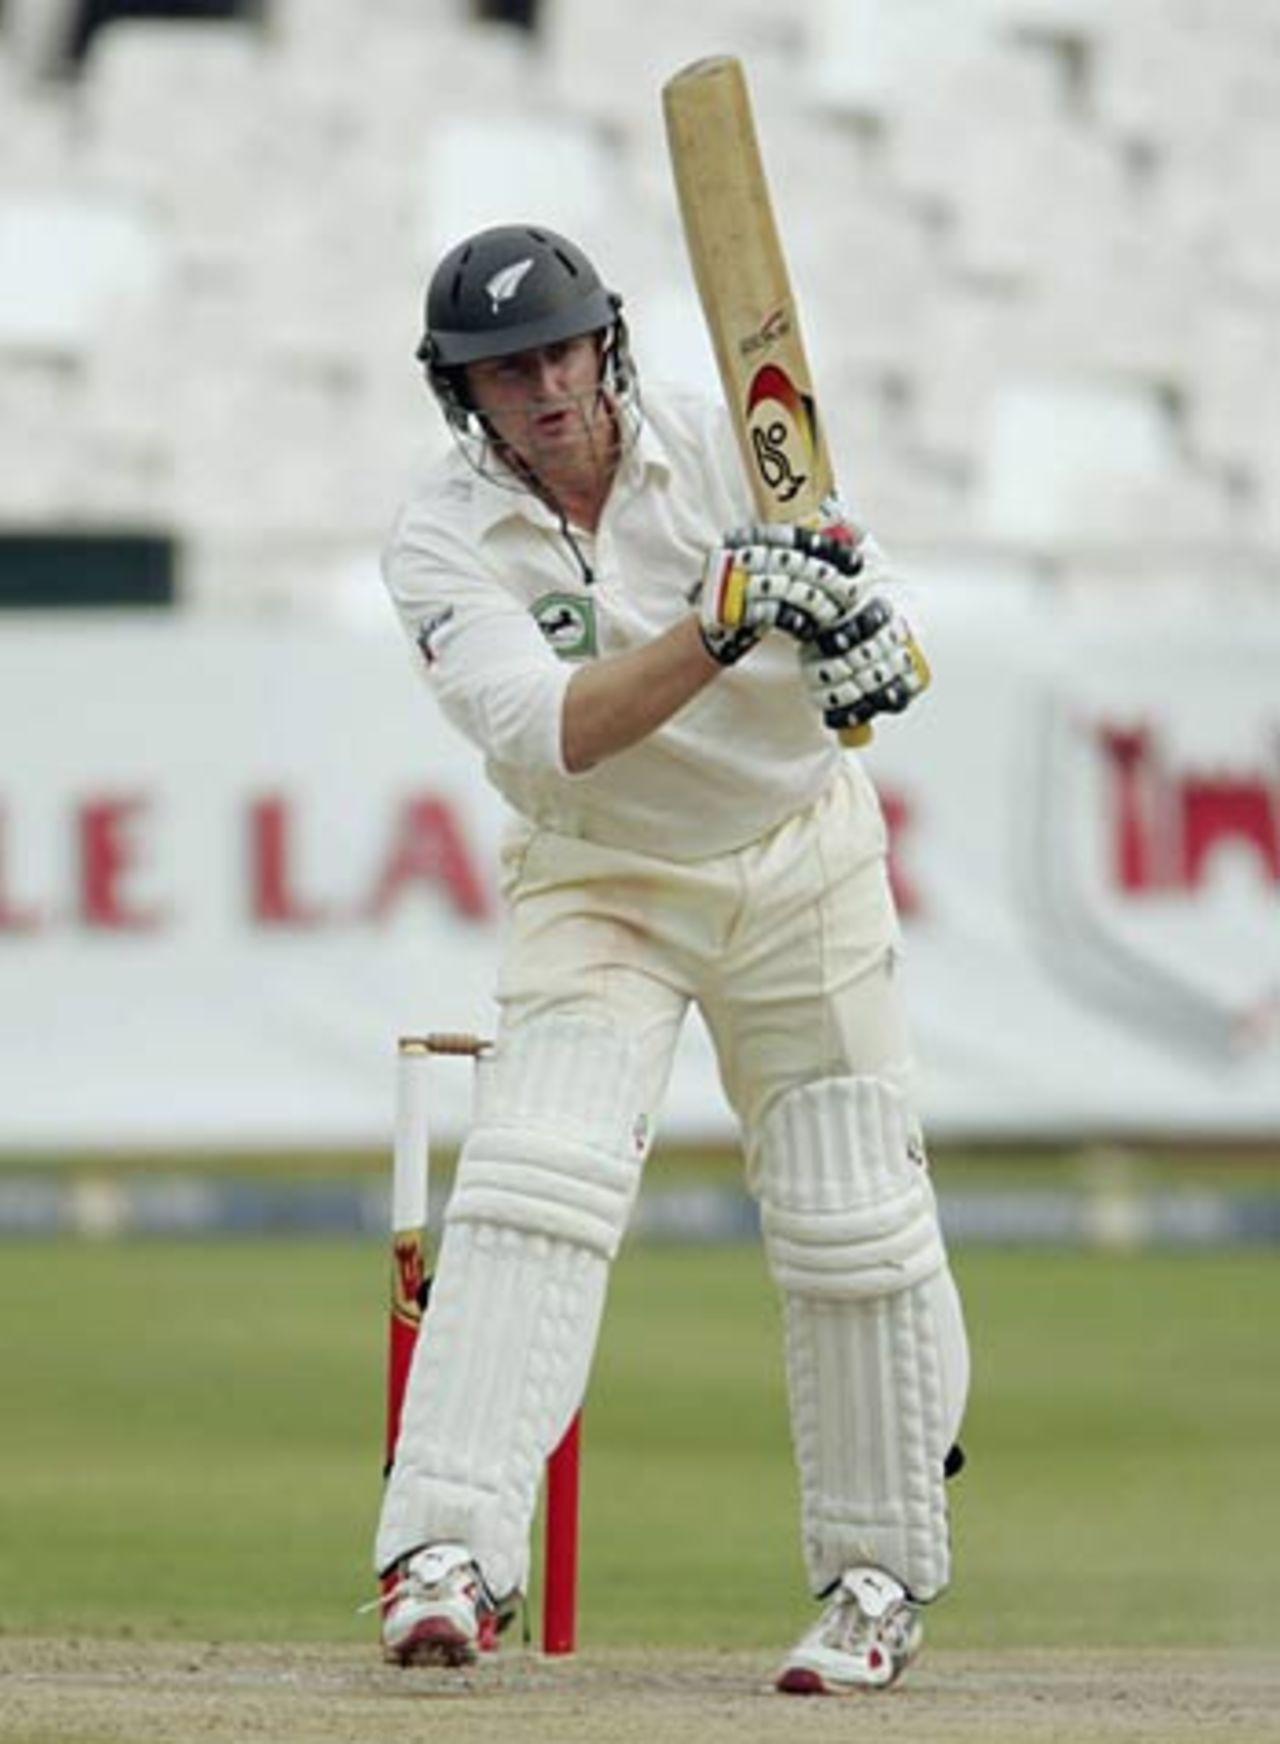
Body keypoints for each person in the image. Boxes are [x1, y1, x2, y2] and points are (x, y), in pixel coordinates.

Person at [373, 222, 969, 1696]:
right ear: (465, 397)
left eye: (561, 353)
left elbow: (874, 610)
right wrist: (721, 623)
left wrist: (868, 643)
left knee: (851, 1216)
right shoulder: (441, 541)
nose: (545, 390)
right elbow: (552, 731)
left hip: (798, 857)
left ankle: (874, 1580)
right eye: (505, 373)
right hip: (602, 869)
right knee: (532, 1179)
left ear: (608, 344)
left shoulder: (732, 450)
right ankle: (445, 1555)